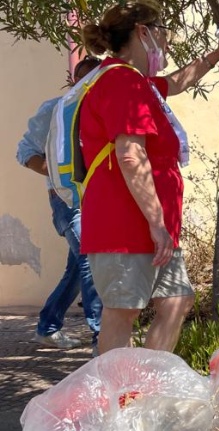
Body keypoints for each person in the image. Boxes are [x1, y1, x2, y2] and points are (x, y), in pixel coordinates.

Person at [79, 0, 219, 355]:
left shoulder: (138, 83)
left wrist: (218, 54)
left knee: (177, 300)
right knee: (123, 312)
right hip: (127, 227)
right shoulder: (122, 82)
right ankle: (113, 402)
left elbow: (177, 82)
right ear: (144, 32)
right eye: (164, 33)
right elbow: (130, 154)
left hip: (153, 229)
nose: (168, 43)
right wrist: (156, 222)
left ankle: (148, 387)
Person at [16, 56, 103, 353]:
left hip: (98, 202)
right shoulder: (55, 109)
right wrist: (59, 178)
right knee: (91, 259)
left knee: (78, 269)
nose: (91, 86)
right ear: (73, 82)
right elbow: (26, 152)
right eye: (85, 80)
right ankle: (101, 338)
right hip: (68, 201)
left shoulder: (104, 111)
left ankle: (47, 328)